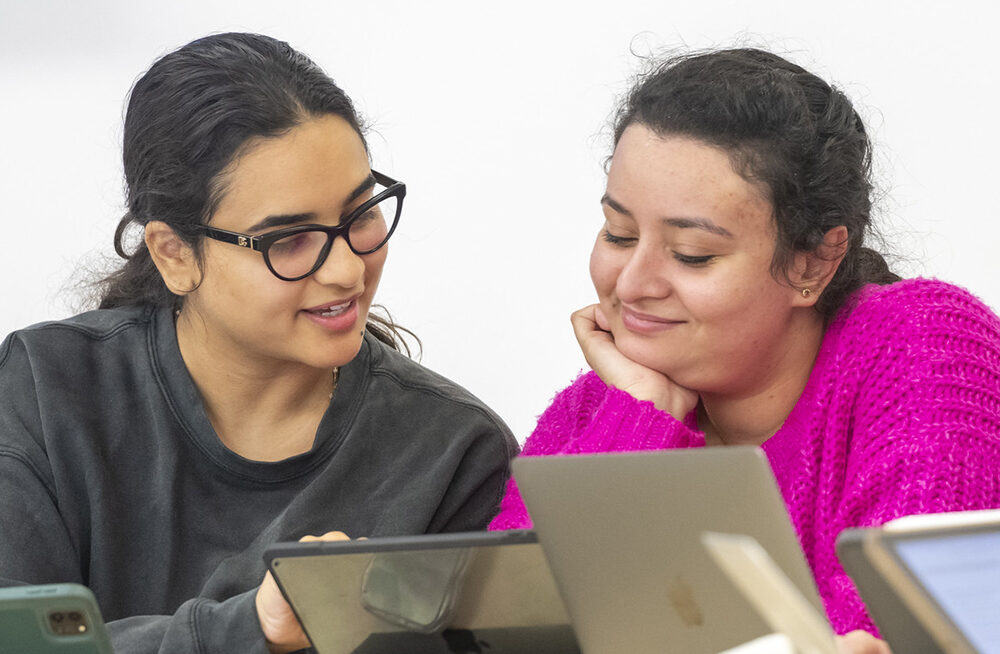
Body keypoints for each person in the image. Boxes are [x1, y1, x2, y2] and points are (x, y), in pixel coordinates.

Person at [0, 33, 517, 653]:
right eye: (289, 240)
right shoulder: (45, 392)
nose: (347, 271)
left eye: (361, 215)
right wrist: (254, 627)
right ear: (174, 254)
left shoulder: (455, 453)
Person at [490, 48, 1000, 653]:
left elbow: (892, 623)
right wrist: (640, 415)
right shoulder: (602, 406)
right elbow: (504, 629)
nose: (630, 284)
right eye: (618, 234)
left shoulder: (922, 342)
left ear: (814, 259)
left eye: (692, 254)